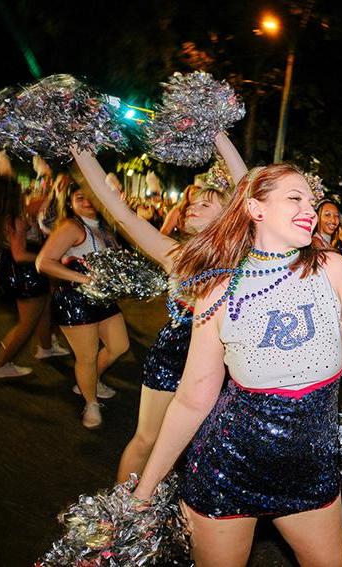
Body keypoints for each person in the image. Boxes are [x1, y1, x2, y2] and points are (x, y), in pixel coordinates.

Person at [132, 163, 342, 566]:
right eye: (295, 198)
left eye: (310, 200)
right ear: (255, 209)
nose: (309, 208)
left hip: (311, 468)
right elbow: (192, 400)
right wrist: (144, 490)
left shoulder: (332, 268)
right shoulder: (219, 290)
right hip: (228, 468)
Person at [71, 130, 244, 480]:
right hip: (172, 356)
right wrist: (78, 149)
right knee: (147, 440)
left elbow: (247, 189)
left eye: (205, 203)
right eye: (192, 203)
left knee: (204, 449)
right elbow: (120, 212)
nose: (192, 206)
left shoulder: (245, 256)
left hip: (222, 363)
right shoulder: (174, 253)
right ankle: (124, 521)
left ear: (228, 215)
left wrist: (217, 134)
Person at [36, 181, 130, 428]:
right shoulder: (72, 226)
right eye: (80, 198)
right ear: (70, 202)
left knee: (120, 345)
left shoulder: (103, 226)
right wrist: (84, 278)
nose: (87, 202)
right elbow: (43, 262)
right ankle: (91, 403)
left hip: (102, 299)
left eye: (91, 196)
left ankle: (89, 380)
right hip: (74, 300)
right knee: (86, 357)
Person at [0, 175, 69, 380]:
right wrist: (47, 260)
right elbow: (20, 254)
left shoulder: (2, 216)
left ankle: (46, 348)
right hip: (26, 273)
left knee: (43, 309)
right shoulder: (14, 218)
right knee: (26, 324)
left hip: (20, 272)